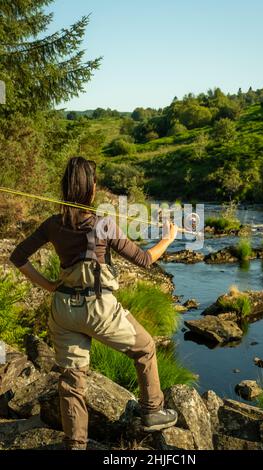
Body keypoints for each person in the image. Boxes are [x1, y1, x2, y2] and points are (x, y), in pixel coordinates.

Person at [9, 157, 178, 450]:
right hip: (99, 309)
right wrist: (168, 238)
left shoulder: (52, 224)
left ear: (65, 187)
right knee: (146, 348)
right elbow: (144, 259)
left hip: (63, 311)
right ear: (91, 188)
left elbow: (18, 257)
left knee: (72, 381)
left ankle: (76, 445)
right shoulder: (103, 224)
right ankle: (152, 411)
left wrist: (49, 286)